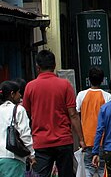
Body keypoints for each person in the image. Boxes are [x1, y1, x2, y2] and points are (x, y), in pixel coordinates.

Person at [22, 49, 85, 177]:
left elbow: (26, 114)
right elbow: (73, 114)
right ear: (54, 65)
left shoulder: (30, 86)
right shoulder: (65, 85)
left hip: (41, 141)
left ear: (37, 67)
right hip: (64, 140)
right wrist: (81, 139)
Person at [76, 67, 111, 177]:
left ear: (89, 79)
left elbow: (76, 114)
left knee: (88, 167)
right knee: (102, 169)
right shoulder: (107, 96)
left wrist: (79, 138)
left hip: (86, 139)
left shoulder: (81, 95)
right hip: (102, 139)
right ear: (102, 80)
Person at [0, 80, 34, 176]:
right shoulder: (18, 109)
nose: (20, 95)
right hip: (12, 158)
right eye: (18, 92)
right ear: (12, 94)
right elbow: (25, 134)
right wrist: (32, 154)